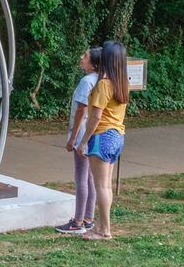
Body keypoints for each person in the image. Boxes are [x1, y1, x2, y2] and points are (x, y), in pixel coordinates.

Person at [77, 40, 129, 240]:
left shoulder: (103, 85)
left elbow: (96, 117)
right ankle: (100, 226)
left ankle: (105, 230)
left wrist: (84, 142)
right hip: (117, 136)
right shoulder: (122, 83)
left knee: (102, 186)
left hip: (102, 136)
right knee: (105, 185)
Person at [55, 47, 101, 234]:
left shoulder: (86, 82)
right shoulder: (102, 80)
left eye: (85, 56)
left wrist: (73, 139)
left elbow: (81, 112)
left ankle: (78, 221)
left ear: (94, 64)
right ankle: (88, 218)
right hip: (95, 133)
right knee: (90, 177)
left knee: (81, 177)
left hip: (83, 133)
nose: (81, 58)